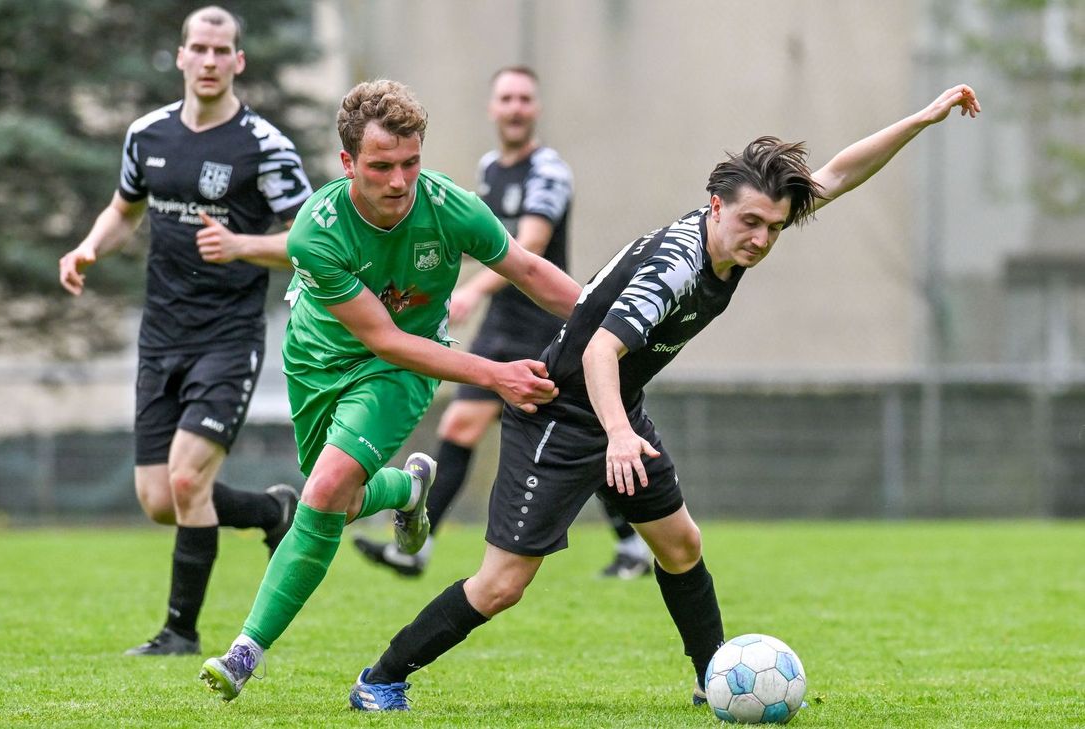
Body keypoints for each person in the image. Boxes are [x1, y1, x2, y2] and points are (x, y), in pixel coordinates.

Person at [343, 84, 982, 712]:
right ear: (715, 206)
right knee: (502, 584)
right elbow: (599, 352)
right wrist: (620, 436)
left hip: (615, 405)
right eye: (749, 222)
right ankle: (382, 677)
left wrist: (922, 119)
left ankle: (715, 680)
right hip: (559, 416)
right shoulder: (676, 267)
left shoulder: (739, 237)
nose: (760, 239)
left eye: (773, 228)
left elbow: (839, 173)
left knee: (680, 545)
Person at [198, 78, 582, 701]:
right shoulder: (315, 232)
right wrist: (496, 373)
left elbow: (529, 271)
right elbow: (380, 334)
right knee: (340, 504)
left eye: (411, 163)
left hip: (401, 369)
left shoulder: (449, 207)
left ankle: (245, 651)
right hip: (318, 363)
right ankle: (407, 488)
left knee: (321, 492)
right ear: (348, 162)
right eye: (381, 166)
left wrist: (618, 324)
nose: (399, 182)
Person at [57, 6, 313, 656]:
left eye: (220, 50)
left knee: (186, 479)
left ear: (238, 62)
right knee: (158, 497)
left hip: (228, 336)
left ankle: (180, 631)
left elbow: (313, 238)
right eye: (197, 48)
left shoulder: (264, 146)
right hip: (161, 334)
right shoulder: (147, 135)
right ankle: (270, 509)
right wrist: (87, 249)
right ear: (180, 57)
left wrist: (244, 245)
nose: (207, 60)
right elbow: (124, 210)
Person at [352, 66, 653, 580]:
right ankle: (416, 548)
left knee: (584, 428)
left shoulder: (549, 171)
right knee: (460, 425)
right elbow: (473, 241)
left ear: (535, 109)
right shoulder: (491, 168)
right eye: (506, 98)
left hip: (546, 324)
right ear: (493, 108)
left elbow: (528, 248)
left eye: (524, 99)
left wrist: (471, 290)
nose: (514, 107)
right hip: (502, 324)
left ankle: (634, 543)